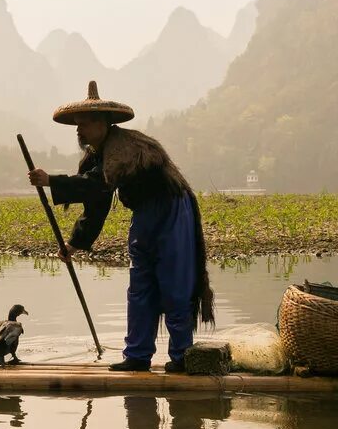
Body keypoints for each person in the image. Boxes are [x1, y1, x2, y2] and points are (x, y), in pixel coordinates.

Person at [28, 81, 214, 372]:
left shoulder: (129, 147)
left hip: (171, 210)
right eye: (77, 125)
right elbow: (97, 203)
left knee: (173, 283)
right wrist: (75, 244)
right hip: (144, 214)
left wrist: (51, 180)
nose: (79, 131)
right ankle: (138, 356)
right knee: (139, 285)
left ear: (103, 124)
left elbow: (95, 185)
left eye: (85, 124)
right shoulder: (97, 157)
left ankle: (180, 357)